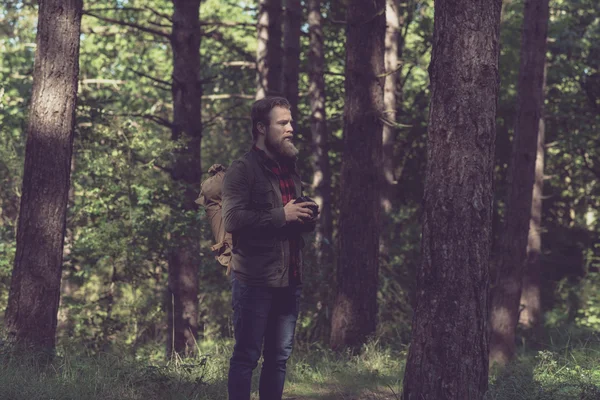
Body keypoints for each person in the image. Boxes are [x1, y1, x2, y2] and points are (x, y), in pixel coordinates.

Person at [222, 96, 318, 400]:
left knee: (278, 359)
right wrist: (283, 214)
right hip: (255, 280)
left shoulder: (289, 167)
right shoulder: (243, 169)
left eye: (290, 122)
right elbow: (233, 219)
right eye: (283, 123)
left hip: (290, 277)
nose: (291, 128)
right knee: (246, 357)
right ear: (262, 128)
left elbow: (290, 216)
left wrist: (305, 213)